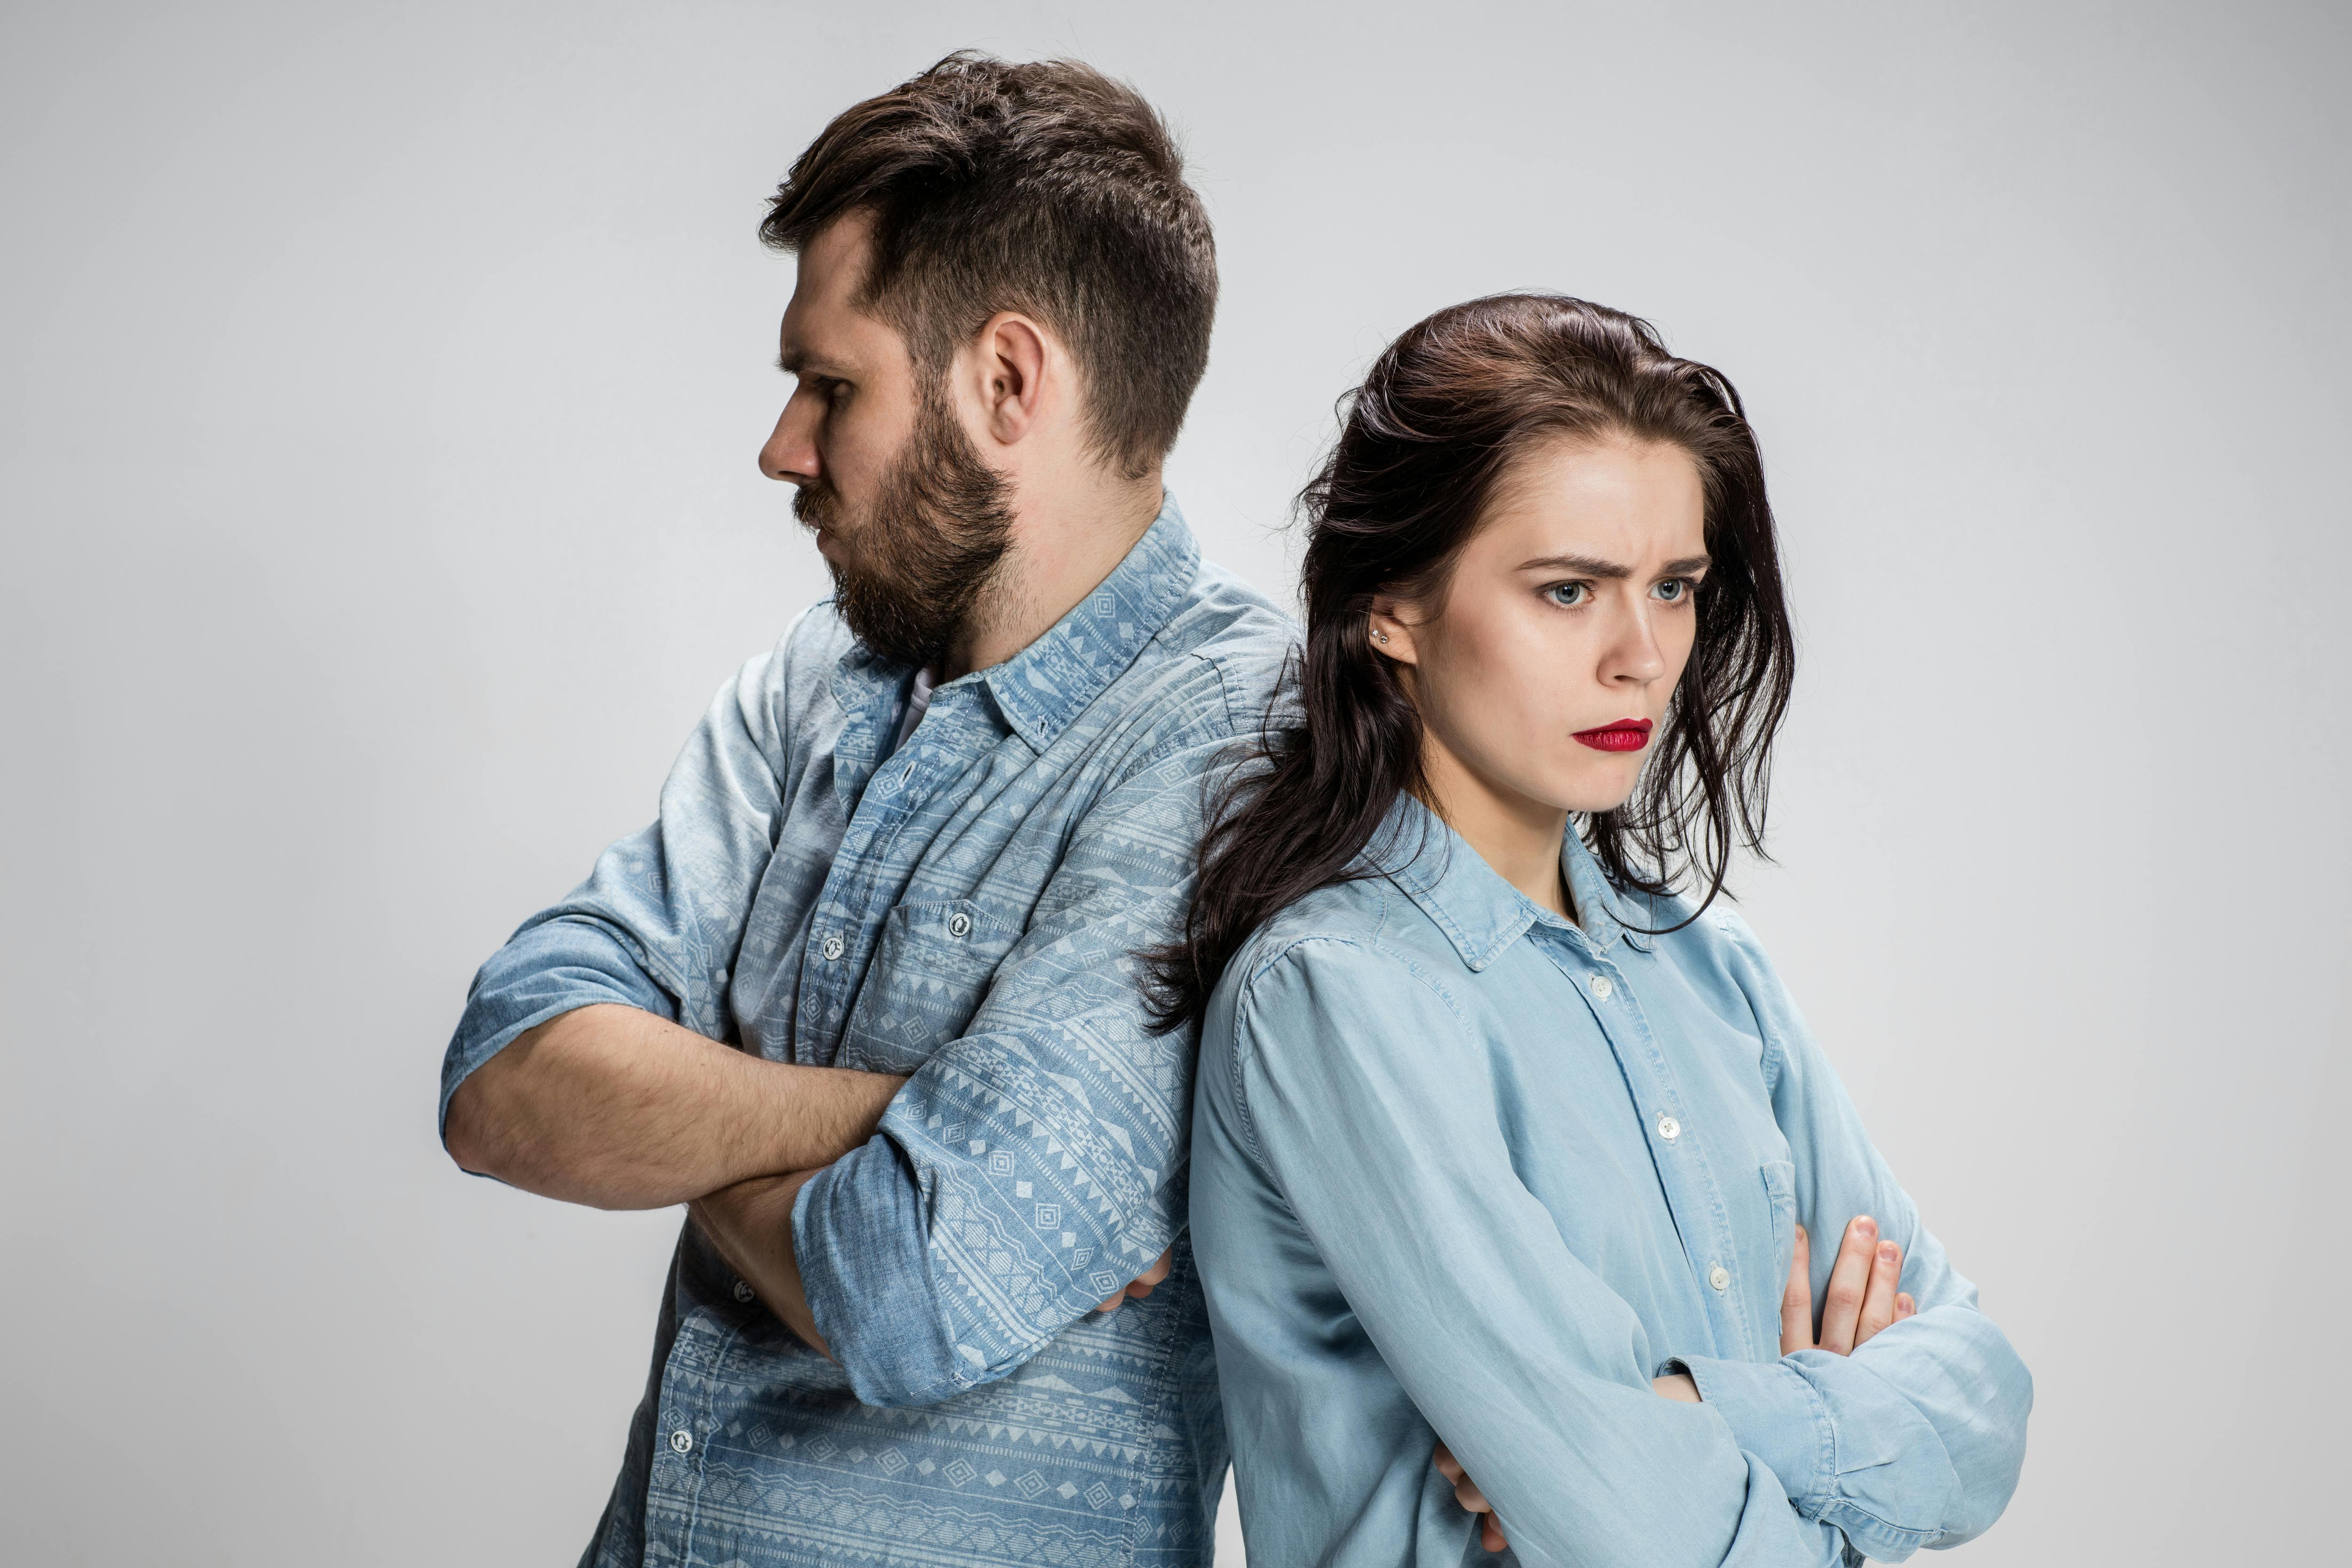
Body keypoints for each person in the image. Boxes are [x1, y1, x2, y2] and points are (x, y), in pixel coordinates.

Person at [438, 55, 1289, 1568]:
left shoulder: (1240, 744)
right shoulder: (813, 683)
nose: (783, 446)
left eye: (833, 385)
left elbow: (916, 1278)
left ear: (1007, 383)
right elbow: (507, 1083)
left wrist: (688, 1118)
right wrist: (914, 1115)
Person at [1152, 294, 2033, 1566]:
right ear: (1393, 606)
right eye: (1569, 591)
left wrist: (1704, 1413)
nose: (1642, 656)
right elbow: (1636, 1532)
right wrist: (1832, 1441)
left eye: (1673, 587)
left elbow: (1987, 1403)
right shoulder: (1334, 998)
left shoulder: (1714, 976)